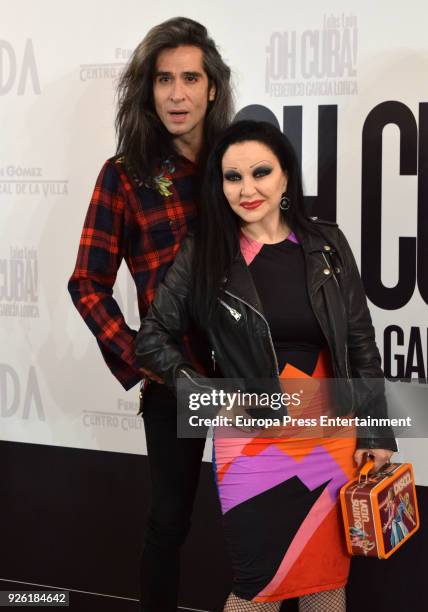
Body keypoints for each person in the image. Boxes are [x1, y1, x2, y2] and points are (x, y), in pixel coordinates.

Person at [135, 120, 398, 611]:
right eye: (232, 177)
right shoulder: (205, 252)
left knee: (326, 581)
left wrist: (377, 434)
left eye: (260, 172)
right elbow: (151, 340)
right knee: (258, 588)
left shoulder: (328, 245)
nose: (247, 188)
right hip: (254, 444)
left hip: (331, 434)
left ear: (285, 178)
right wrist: (208, 397)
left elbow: (361, 345)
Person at [67, 17, 233, 612]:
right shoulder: (125, 175)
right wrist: (149, 359)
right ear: (148, 89)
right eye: (164, 79)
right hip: (176, 384)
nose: (177, 93)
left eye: (190, 77)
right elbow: (86, 283)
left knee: (268, 524)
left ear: (212, 86)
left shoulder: (241, 164)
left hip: (253, 378)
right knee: (169, 528)